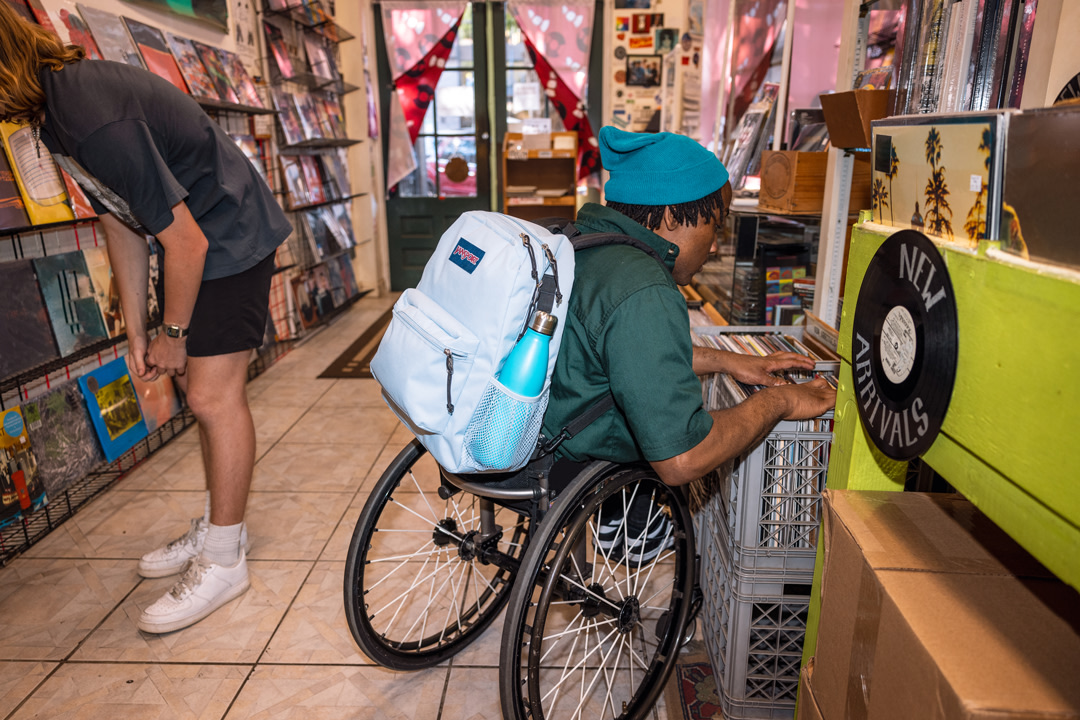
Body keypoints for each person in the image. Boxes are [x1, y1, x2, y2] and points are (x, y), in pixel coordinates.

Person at [0, 6, 292, 633]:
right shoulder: (58, 110)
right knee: (199, 393)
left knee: (214, 397)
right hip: (204, 238)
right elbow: (119, 216)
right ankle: (221, 523)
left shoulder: (87, 116)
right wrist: (138, 327)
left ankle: (224, 559)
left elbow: (185, 244)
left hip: (230, 236)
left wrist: (174, 334)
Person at [540, 126, 836, 560]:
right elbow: (683, 460)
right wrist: (782, 403)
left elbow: (622, 354)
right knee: (694, 447)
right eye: (714, 225)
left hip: (539, 431)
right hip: (574, 462)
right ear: (673, 217)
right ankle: (630, 530)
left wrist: (728, 362)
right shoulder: (641, 286)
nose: (715, 246)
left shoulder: (588, 248)